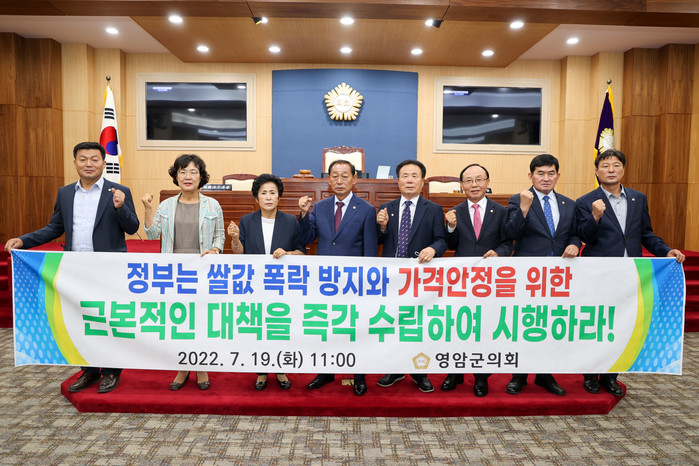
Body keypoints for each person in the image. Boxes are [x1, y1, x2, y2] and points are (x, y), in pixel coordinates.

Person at [5, 141, 140, 394]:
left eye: (94, 159)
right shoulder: (65, 193)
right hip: (75, 270)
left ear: (103, 163)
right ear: (75, 162)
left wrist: (121, 208)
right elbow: (55, 228)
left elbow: (132, 228)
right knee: (80, 320)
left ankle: (112, 372)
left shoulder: (119, 191)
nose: (89, 164)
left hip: (107, 269)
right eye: (83, 159)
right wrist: (24, 240)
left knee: (109, 320)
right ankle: (88, 370)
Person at [576, 149, 685, 396]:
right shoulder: (585, 201)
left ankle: (611, 376)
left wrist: (666, 250)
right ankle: (590, 375)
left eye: (616, 165)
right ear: (596, 171)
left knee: (621, 326)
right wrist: (595, 217)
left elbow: (646, 234)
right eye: (605, 166)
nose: (611, 170)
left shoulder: (638, 198)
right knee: (597, 325)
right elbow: (584, 237)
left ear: (623, 169)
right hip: (599, 274)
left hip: (630, 274)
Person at [142, 154, 224, 391]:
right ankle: (182, 367)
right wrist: (148, 209)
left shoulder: (212, 205)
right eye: (183, 171)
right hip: (174, 272)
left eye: (193, 172)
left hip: (202, 271)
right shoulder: (166, 205)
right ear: (176, 176)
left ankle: (201, 367)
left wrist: (216, 250)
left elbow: (219, 235)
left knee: (200, 319)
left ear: (201, 177)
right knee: (179, 320)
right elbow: (152, 234)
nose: (188, 176)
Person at [298, 159, 378, 396]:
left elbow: (370, 250)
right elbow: (307, 238)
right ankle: (326, 371)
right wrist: (303, 214)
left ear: (354, 179)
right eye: (335, 175)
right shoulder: (319, 207)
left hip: (354, 282)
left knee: (356, 329)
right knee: (327, 327)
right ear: (328, 179)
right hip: (325, 281)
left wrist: (367, 283)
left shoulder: (366, 210)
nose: (339, 180)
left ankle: (359, 375)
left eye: (345, 176)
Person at [504, 153, 580, 397]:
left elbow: (574, 233)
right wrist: (524, 209)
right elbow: (510, 233)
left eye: (551, 173)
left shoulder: (569, 204)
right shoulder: (518, 200)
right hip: (528, 275)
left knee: (551, 325)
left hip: (559, 276)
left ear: (558, 175)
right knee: (526, 325)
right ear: (531, 176)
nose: (546, 178)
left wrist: (575, 244)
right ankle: (519, 375)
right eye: (540, 173)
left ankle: (545, 375)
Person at [227, 174, 305, 391]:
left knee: (279, 327)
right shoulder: (247, 221)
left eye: (272, 193)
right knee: (259, 328)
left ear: (279, 197)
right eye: (263, 193)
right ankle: (261, 371)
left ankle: (280, 369)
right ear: (256, 198)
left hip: (282, 285)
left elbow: (302, 252)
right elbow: (239, 254)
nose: (268, 197)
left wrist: (288, 253)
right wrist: (235, 239)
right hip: (255, 285)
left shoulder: (290, 221)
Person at [375, 159, 447, 393]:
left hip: (420, 278)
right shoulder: (386, 208)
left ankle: (419, 371)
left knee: (417, 325)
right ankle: (394, 368)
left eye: (414, 176)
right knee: (392, 323)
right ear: (397, 181)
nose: (409, 180)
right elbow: (377, 240)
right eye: (404, 176)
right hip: (392, 277)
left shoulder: (433, 209)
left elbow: (442, 240)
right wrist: (382, 227)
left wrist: (433, 249)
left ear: (422, 181)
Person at [441, 163, 512, 397]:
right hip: (461, 281)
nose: (474, 185)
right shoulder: (454, 212)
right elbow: (450, 246)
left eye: (479, 179)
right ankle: (454, 372)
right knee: (458, 328)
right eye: (468, 180)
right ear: (462, 185)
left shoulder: (501, 212)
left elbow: (507, 244)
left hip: (489, 281)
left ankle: (481, 377)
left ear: (487, 182)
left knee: (484, 328)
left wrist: (498, 254)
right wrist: (451, 227)